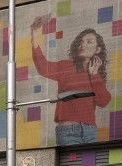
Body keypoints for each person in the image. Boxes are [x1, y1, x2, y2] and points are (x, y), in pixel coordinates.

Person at [31, 16, 112, 145]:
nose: (82, 45)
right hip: (69, 131)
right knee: (71, 165)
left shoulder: (97, 73)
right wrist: (34, 33)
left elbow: (103, 101)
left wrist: (95, 75)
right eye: (80, 42)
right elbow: (42, 67)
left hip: (90, 131)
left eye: (89, 42)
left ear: (98, 49)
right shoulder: (65, 66)